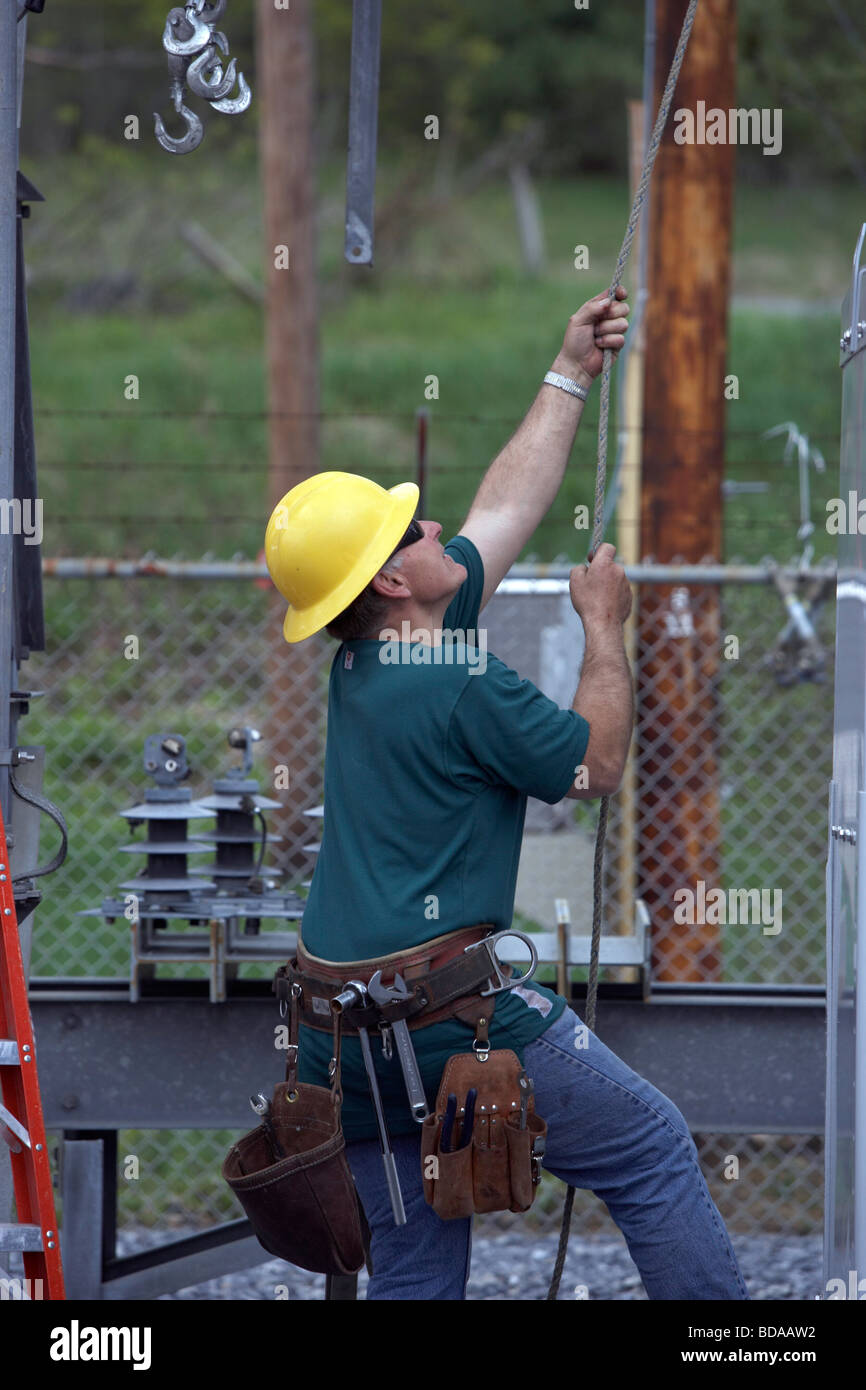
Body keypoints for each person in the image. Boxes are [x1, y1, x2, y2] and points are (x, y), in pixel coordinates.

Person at [264, 287, 749, 1301]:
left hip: (335, 1036)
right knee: (650, 1149)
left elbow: (503, 508)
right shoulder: (454, 678)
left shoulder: (367, 659)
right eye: (408, 529)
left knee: (414, 1251)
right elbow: (593, 766)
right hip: (444, 1016)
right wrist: (603, 626)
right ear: (395, 584)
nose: (431, 521)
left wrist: (567, 369)